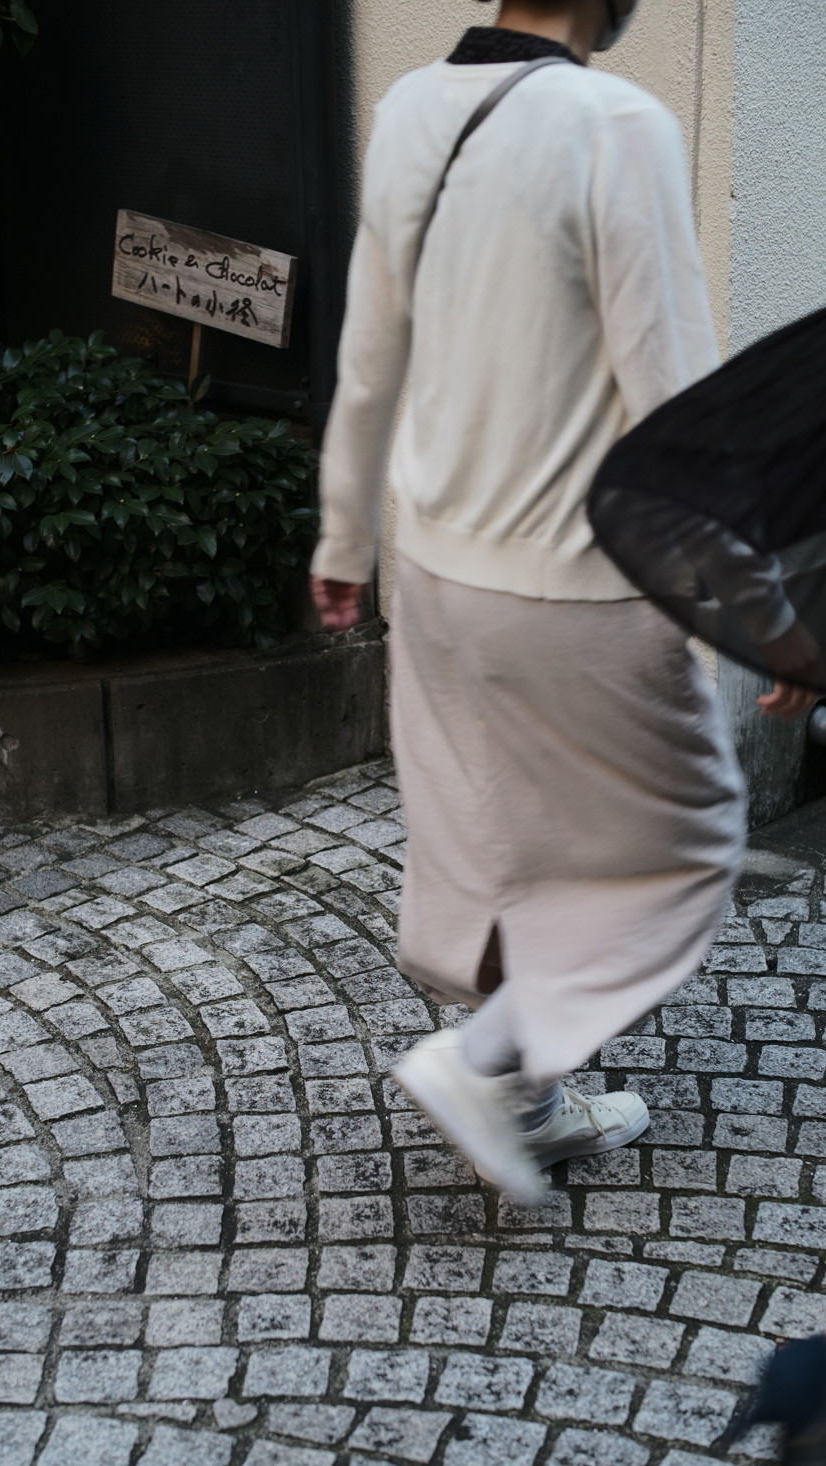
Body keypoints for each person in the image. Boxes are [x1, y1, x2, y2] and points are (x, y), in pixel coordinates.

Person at [310, 0, 818, 1203]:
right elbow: (679, 409)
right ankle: (487, 1063)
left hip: (435, 573)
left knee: (499, 839)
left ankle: (528, 1104)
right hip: (569, 589)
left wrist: (345, 537)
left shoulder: (408, 110)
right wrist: (763, 616)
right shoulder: (615, 122)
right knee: (684, 853)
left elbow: (369, 351)